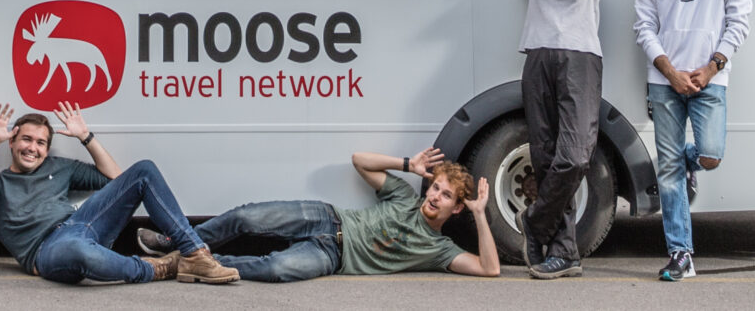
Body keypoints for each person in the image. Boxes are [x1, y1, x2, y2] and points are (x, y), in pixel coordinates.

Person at [0, 101, 238, 285]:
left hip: (80, 223)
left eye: (40, 143)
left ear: (47, 149)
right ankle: (158, 268)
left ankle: (194, 254)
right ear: (12, 142)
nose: (32, 148)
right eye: (26, 139)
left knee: (144, 171)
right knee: (78, 250)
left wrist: (86, 137)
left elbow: (115, 179)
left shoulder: (58, 167)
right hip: (47, 250)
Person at [489, 0, 620, 279]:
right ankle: (564, 253)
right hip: (539, 59)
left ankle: (534, 220)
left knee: (576, 155)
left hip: (581, 61)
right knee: (544, 157)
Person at [144, 147, 499, 281]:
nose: (435, 195)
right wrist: (408, 164)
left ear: (455, 208)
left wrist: (480, 215)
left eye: (446, 195)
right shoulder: (405, 196)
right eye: (436, 187)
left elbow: (490, 269)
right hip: (327, 218)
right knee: (247, 217)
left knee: (273, 268)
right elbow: (360, 160)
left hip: (332, 256)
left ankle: (187, 264)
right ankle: (172, 241)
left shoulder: (440, 250)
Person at [636, 0, 753, 283]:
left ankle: (687, 163)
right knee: (667, 168)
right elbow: (644, 27)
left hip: (710, 80)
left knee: (710, 154)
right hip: (664, 82)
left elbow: (739, 21)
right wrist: (669, 71)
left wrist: (711, 67)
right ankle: (681, 254)